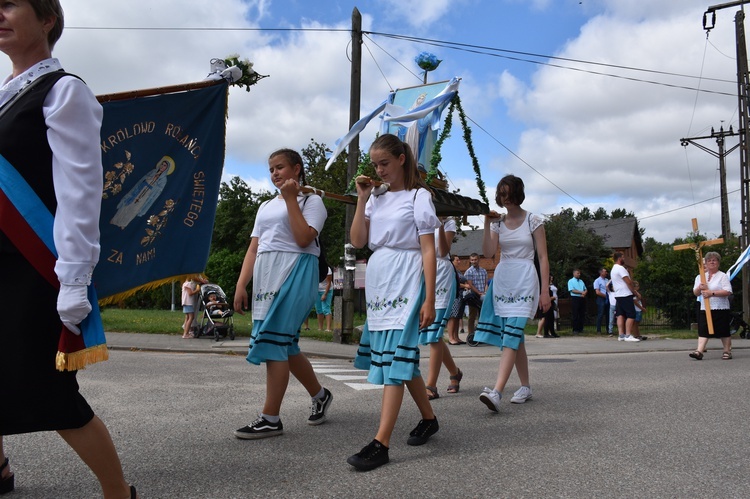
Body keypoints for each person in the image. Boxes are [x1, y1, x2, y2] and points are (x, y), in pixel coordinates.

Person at [0, 1, 136, 496]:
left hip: (34, 268)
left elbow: (80, 193)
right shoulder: (6, 98)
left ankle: (119, 491)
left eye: (9, 4)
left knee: (52, 395)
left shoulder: (63, 92)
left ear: (47, 18)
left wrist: (74, 278)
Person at [348, 134, 439, 471]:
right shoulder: (375, 199)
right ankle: (428, 418)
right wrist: (362, 199)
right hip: (380, 279)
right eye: (375, 165)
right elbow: (358, 241)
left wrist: (430, 297)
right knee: (398, 357)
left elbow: (429, 249)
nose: (379, 170)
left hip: (406, 275)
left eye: (384, 163)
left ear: (402, 159)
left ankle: (381, 442)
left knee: (394, 361)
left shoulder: (419, 196)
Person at [233, 148, 333, 439]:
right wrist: (242, 284)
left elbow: (303, 238)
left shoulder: (312, 201)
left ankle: (270, 418)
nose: (275, 173)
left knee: (275, 342)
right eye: (271, 169)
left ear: (297, 169)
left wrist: (292, 199)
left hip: (296, 271)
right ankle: (320, 394)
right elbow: (255, 247)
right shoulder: (264, 206)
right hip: (267, 273)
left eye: (280, 167)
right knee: (286, 345)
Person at [474, 174, 550, 412]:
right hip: (504, 280)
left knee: (511, 334)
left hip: (526, 279)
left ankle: (496, 391)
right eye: (501, 194)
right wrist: (486, 223)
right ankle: (525, 386)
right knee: (514, 337)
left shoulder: (534, 221)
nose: (505, 199)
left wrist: (545, 290)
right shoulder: (498, 223)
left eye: (508, 194)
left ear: (517, 193)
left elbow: (543, 257)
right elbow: (487, 252)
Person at [419, 217, 463, 400]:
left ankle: (431, 385)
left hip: (443, 273)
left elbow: (444, 250)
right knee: (432, 333)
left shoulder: (450, 221)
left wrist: (442, 223)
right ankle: (455, 372)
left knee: (435, 333)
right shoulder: (422, 214)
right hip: (424, 271)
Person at [689, 251, 733, 360]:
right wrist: (699, 288)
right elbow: (695, 293)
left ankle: (727, 351)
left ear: (718, 263)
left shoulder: (722, 276)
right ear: (706, 263)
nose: (712, 262)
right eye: (709, 260)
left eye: (714, 260)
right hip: (705, 307)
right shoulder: (700, 277)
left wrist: (711, 293)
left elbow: (728, 291)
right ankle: (699, 351)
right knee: (703, 330)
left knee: (723, 330)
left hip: (720, 307)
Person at [611, 252, 641, 342]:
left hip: (618, 295)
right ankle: (628, 335)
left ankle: (621, 335)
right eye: (623, 257)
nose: (624, 259)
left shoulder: (613, 269)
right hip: (625, 294)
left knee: (620, 315)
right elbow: (628, 281)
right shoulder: (621, 268)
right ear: (619, 258)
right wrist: (634, 291)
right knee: (631, 314)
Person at [462, 252, 488, 337]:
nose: (474, 261)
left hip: (483, 295)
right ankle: (471, 334)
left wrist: (485, 292)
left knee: (482, 315)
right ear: (470, 260)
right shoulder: (469, 271)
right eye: (472, 260)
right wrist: (478, 293)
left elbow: (486, 283)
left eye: (475, 259)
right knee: (472, 315)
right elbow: (470, 285)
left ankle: (481, 333)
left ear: (478, 259)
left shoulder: (483, 271)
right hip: (474, 296)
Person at [444, 255, 466, 344]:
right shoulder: (451, 270)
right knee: (453, 316)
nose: (459, 262)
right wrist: (465, 286)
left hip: (460, 295)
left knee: (457, 317)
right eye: (457, 260)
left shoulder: (458, 271)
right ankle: (451, 337)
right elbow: (453, 282)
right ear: (452, 261)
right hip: (454, 295)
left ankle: (456, 337)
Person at [568, 269, 587, 334]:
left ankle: (580, 328)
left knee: (582, 313)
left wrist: (584, 293)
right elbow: (572, 290)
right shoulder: (571, 281)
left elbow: (585, 288)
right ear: (574, 274)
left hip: (582, 298)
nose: (579, 274)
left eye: (579, 273)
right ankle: (575, 329)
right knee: (575, 314)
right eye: (577, 273)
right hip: (575, 298)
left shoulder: (581, 281)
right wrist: (581, 292)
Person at [315, 265, 333, 332]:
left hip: (326, 290)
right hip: (317, 290)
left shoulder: (327, 269)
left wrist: (325, 294)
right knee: (318, 309)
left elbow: (328, 283)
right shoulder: (315, 268)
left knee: (325, 308)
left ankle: (328, 328)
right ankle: (320, 328)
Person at [593, 267, 609, 334]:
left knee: (608, 314)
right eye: (605, 271)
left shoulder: (607, 280)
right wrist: (606, 296)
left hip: (607, 298)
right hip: (601, 298)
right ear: (601, 273)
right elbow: (597, 292)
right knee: (600, 314)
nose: (606, 273)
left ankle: (608, 329)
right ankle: (598, 330)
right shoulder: (597, 281)